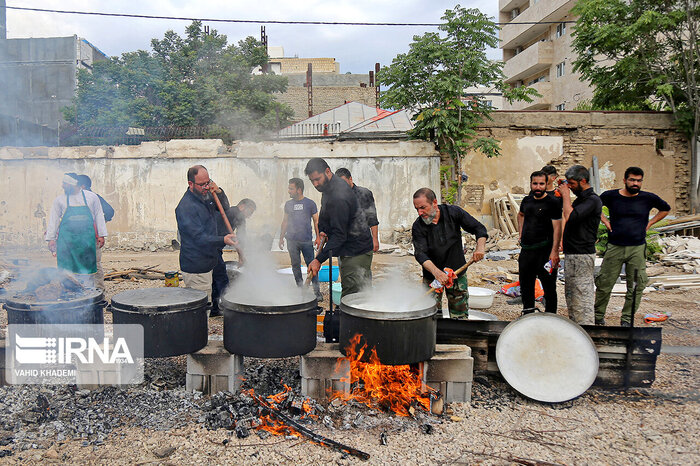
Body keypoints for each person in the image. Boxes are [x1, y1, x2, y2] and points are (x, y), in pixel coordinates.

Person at [594, 167, 670, 326]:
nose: (635, 183)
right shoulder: (611, 196)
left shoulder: (648, 198)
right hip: (615, 247)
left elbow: (665, 209)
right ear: (624, 180)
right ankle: (598, 316)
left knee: (636, 285)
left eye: (638, 180)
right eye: (632, 180)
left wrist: (650, 223)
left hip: (637, 248)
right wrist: (604, 220)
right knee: (605, 283)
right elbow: (595, 205)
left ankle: (627, 320)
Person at [411, 188, 487, 319]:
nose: (420, 212)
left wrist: (480, 248)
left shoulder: (453, 212)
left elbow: (479, 228)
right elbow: (420, 254)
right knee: (430, 315)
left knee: (460, 315)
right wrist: (437, 273)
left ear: (434, 202)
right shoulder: (418, 226)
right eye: (417, 209)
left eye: (423, 207)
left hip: (457, 272)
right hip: (432, 276)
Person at [305, 158, 373, 298]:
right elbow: (325, 210)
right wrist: (323, 228)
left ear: (328, 171)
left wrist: (318, 259)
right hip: (348, 247)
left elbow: (339, 235)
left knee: (353, 297)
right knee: (355, 291)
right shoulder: (329, 187)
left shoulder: (339, 196)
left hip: (356, 251)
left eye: (318, 179)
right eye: (312, 181)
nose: (316, 184)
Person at [175, 165, 237, 305]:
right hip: (196, 265)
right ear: (190, 184)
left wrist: (219, 191)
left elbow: (225, 207)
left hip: (211, 259)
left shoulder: (207, 195)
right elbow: (198, 238)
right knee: (201, 307)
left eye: (208, 182)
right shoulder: (186, 207)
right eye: (202, 184)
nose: (206, 187)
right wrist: (223, 239)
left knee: (214, 299)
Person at [45, 173, 108, 287]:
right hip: (67, 242)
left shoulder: (91, 197)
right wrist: (51, 239)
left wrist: (101, 235)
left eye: (65, 183)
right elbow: (53, 220)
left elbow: (99, 215)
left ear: (74, 184)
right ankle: (70, 291)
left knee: (92, 266)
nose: (62, 186)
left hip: (88, 240)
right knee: (67, 268)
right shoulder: (60, 200)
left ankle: (96, 293)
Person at [558, 165, 602, 325]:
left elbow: (570, 215)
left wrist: (565, 195)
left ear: (583, 181)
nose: (570, 187)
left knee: (582, 298)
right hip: (573, 254)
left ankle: (587, 330)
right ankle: (577, 328)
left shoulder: (592, 200)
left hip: (582, 256)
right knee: (572, 297)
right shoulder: (581, 199)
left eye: (572, 183)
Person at [517, 171, 562, 315]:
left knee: (549, 287)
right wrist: (521, 233)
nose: (538, 186)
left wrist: (554, 251)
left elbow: (557, 227)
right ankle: (528, 313)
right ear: (530, 184)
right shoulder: (526, 201)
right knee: (526, 285)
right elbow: (521, 215)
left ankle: (551, 316)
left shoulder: (553, 202)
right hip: (527, 251)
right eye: (535, 183)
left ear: (546, 184)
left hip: (545, 251)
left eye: (541, 184)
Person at [279, 178, 321, 300]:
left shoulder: (310, 203)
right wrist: (281, 238)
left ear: (299, 189)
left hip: (306, 241)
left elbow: (316, 221)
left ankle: (317, 292)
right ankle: (299, 290)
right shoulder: (288, 204)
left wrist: (318, 237)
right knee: (295, 265)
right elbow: (285, 221)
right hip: (291, 240)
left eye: (291, 188)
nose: (289, 191)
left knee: (311, 264)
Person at [76, 174, 114, 290]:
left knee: (95, 264)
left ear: (82, 186)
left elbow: (109, 212)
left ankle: (99, 291)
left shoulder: (94, 198)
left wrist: (100, 225)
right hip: (78, 238)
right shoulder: (73, 198)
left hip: (93, 237)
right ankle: (82, 289)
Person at [335, 168, 380, 253]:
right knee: (344, 266)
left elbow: (372, 219)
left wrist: (375, 239)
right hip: (344, 245)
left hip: (362, 243)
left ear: (350, 179)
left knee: (360, 266)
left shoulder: (364, 194)